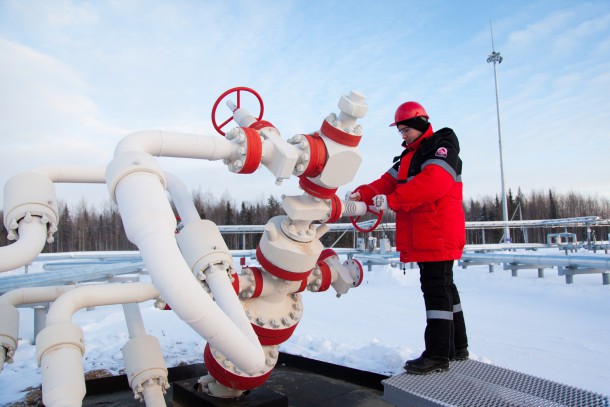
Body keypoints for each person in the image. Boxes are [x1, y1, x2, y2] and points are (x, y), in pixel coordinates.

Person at [349, 101, 468, 375]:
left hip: (436, 231)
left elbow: (434, 183)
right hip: (429, 232)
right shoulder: (410, 157)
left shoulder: (441, 148)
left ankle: (438, 355)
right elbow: (385, 182)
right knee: (446, 288)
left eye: (405, 130)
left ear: (419, 124)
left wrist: (393, 201)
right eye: (400, 131)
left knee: (436, 290)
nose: (402, 135)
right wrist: (362, 194)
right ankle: (457, 347)